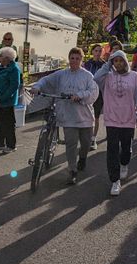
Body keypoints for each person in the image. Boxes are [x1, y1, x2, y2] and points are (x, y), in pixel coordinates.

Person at [32, 47, 99, 184]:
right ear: (69, 59)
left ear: (81, 60)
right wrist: (37, 87)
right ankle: (72, 170)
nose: (74, 61)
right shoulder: (61, 74)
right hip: (67, 116)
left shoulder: (87, 76)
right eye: (72, 58)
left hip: (84, 117)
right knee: (71, 144)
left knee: (85, 143)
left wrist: (80, 95)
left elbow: (93, 92)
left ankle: (83, 158)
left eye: (77, 58)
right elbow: (45, 80)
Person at [93, 50, 137, 196]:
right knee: (112, 150)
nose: (118, 63)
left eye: (120, 60)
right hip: (112, 119)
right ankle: (115, 181)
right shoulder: (107, 77)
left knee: (126, 148)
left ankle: (124, 163)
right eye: (115, 61)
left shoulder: (134, 76)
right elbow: (96, 78)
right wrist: (107, 64)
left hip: (128, 119)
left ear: (125, 61)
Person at [0, 46, 21, 152]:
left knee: (8, 124)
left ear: (7, 58)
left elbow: (14, 86)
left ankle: (11, 145)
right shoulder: (1, 67)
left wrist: (3, 97)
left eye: (1, 56)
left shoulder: (14, 69)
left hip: (6, 102)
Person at [84, 44, 107, 149]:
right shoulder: (87, 64)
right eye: (96, 51)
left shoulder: (104, 65)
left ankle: (93, 139)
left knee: (96, 117)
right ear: (92, 52)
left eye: (99, 51)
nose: (97, 53)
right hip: (87, 93)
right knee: (86, 116)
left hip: (99, 94)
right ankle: (86, 137)